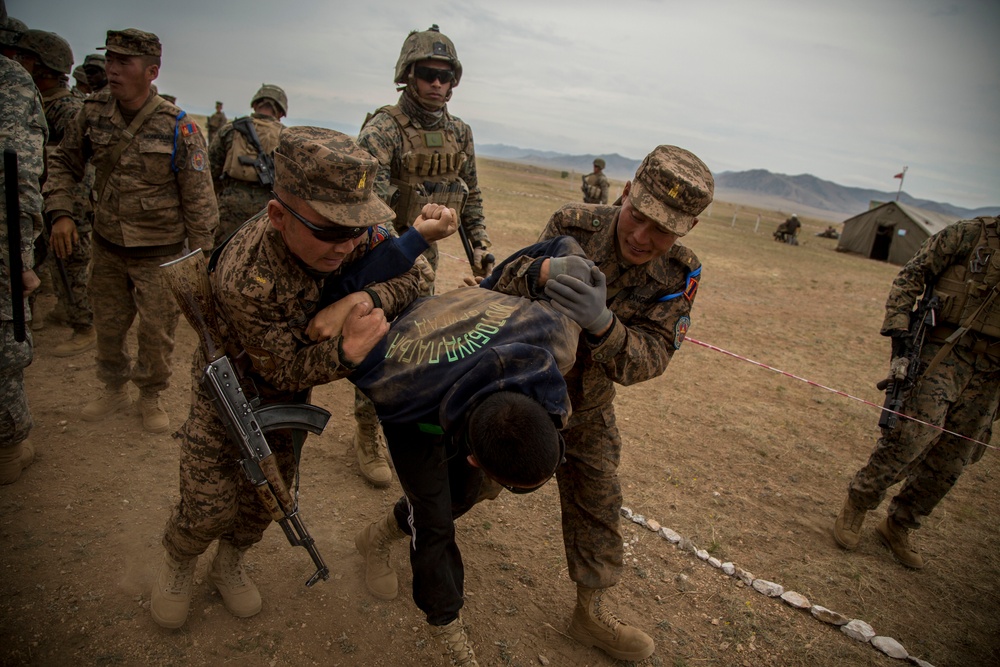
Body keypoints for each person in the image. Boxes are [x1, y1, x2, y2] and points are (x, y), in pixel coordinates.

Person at [150, 126, 456, 629]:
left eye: (355, 229)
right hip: (231, 384)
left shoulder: (351, 230)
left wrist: (361, 300)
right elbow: (279, 368)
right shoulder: (248, 276)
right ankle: (179, 561)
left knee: (268, 496)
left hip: (286, 395)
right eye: (330, 231)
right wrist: (345, 352)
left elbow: (414, 270)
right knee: (206, 502)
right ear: (278, 215)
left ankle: (232, 562)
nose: (347, 244)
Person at [490, 144, 711, 661]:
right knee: (470, 483)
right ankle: (391, 531)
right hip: (526, 393)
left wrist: (603, 326)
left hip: (589, 406)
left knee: (599, 501)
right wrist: (539, 277)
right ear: (627, 192)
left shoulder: (682, 272)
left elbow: (650, 358)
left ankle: (589, 615)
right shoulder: (575, 224)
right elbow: (505, 286)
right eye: (638, 216)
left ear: (688, 228)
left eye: (662, 229)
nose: (641, 236)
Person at [331, 238, 591, 665]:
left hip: (464, 386)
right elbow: (340, 345)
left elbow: (565, 245)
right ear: (472, 453)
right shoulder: (396, 385)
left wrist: (514, 277)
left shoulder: (556, 334)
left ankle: (377, 534)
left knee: (464, 494)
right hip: (416, 411)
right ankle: (445, 628)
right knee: (432, 519)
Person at [43, 28, 219, 433]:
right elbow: (65, 164)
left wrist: (200, 260)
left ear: (151, 71)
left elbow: (199, 199)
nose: (114, 70)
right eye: (110, 60)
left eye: (125, 62)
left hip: (161, 254)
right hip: (107, 246)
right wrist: (61, 212)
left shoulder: (178, 126)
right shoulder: (91, 112)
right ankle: (113, 387)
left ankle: (151, 394)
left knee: (157, 334)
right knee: (108, 324)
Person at [352, 23, 495, 486]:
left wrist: (481, 249)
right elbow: (364, 204)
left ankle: (402, 423)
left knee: (416, 341)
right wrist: (387, 258)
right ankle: (367, 431)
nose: (437, 84)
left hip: (425, 261)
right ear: (407, 76)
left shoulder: (460, 133)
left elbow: (469, 194)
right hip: (385, 256)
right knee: (376, 341)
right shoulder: (383, 130)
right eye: (428, 74)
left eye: (446, 76)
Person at [834, 216, 1000, 569]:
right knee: (910, 438)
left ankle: (900, 524)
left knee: (953, 457)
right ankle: (858, 503)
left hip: (992, 374)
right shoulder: (970, 234)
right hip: (944, 354)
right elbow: (912, 274)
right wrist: (899, 333)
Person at [12, 28, 97, 358]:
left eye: (25, 58)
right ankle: (61, 312)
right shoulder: (41, 102)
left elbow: (80, 164)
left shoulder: (67, 109)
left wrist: (69, 210)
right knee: (42, 262)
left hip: (67, 204)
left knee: (71, 266)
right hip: (43, 199)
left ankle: (83, 325)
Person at [0, 3, 47, 484]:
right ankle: (8, 448)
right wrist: (18, 260)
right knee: (7, 346)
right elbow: (18, 181)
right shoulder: (11, 82)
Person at [208, 84, 287, 243]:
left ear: (255, 105)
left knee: (223, 256)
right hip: (267, 209)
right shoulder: (286, 137)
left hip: (231, 204)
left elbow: (211, 171)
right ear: (280, 112)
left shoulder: (230, 129)